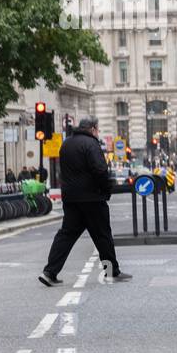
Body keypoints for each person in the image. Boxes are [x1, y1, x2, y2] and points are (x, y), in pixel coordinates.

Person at [40, 116, 130, 286]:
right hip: (92, 198)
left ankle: (49, 272)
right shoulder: (91, 144)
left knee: (66, 235)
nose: (98, 132)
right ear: (93, 129)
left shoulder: (66, 144)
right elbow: (100, 170)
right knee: (102, 234)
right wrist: (106, 190)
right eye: (98, 129)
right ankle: (111, 272)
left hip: (71, 198)